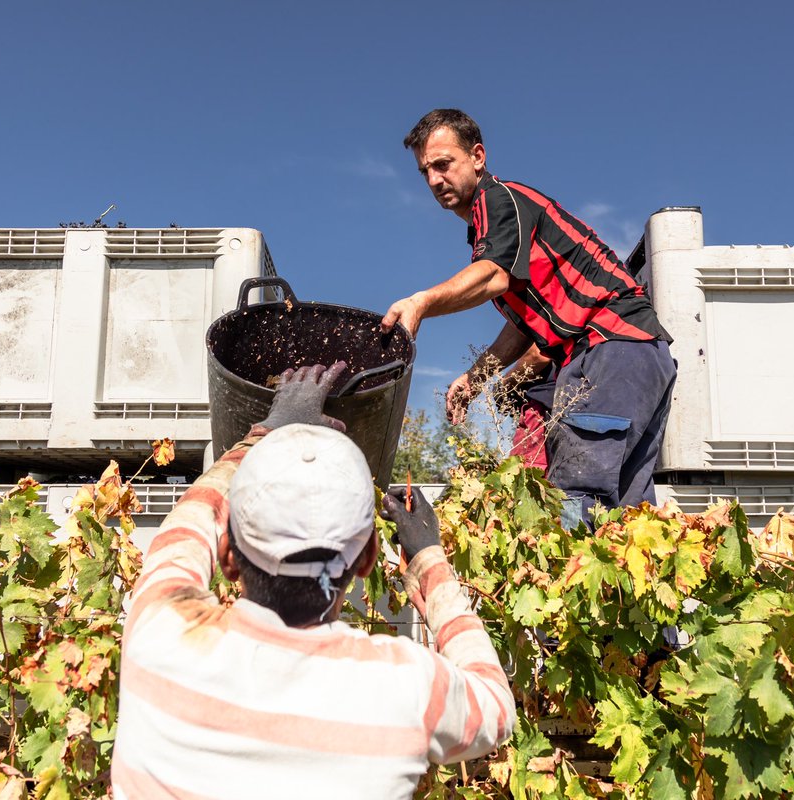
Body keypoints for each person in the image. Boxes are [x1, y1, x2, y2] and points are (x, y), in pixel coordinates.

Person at [113, 363, 515, 799]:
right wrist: (428, 560)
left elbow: (186, 529)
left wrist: (263, 433)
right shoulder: (404, 688)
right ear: (367, 560)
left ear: (227, 556)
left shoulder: (162, 637)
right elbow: (495, 707)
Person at [382, 108, 677, 525]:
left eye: (443, 165)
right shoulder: (502, 222)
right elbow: (522, 327)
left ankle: (565, 586)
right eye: (425, 171)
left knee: (576, 500)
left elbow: (493, 277)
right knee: (627, 516)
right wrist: (474, 379)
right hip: (644, 356)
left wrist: (421, 303)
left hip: (609, 351)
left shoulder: (497, 200)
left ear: (478, 156)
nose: (433, 180)